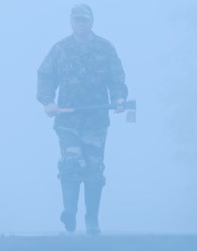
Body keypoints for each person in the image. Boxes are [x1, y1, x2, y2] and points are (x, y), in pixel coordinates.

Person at [37, 4, 128, 235]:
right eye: (76, 19)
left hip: (96, 121)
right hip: (68, 120)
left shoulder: (105, 49)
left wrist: (118, 98)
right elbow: (45, 76)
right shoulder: (60, 49)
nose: (80, 23)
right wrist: (48, 102)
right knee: (71, 163)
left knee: (94, 170)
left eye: (84, 20)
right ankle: (69, 213)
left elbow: (117, 77)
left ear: (92, 22)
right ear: (71, 22)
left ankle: (92, 220)